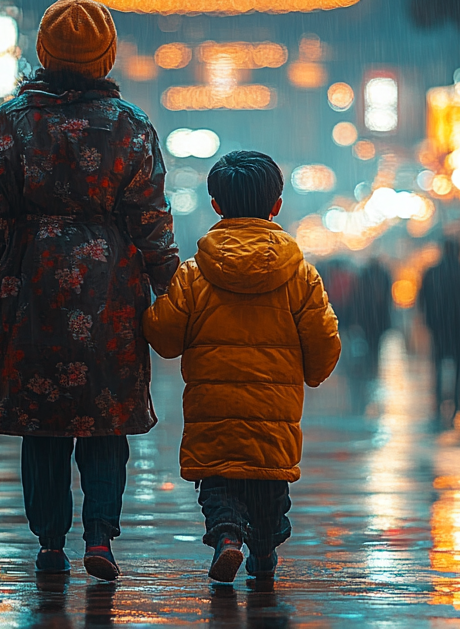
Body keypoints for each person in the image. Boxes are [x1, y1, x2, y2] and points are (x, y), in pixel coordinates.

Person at [0, 0, 179, 581]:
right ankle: (99, 537)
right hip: (110, 297)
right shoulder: (131, 127)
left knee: (43, 425)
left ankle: (51, 542)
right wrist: (174, 293)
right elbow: (152, 222)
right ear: (106, 56)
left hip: (30, 292)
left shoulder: (9, 124)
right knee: (106, 421)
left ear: (44, 51)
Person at [143, 150, 340, 583]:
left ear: (216, 205)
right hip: (274, 416)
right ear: (277, 206)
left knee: (220, 488)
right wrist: (314, 373)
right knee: (270, 491)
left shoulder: (194, 275)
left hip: (213, 414)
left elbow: (165, 339)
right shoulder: (300, 276)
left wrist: (148, 309)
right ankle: (265, 552)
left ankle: (228, 536)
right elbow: (324, 346)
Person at [417, 238, 460, 424]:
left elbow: (423, 300)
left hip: (439, 328)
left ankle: (439, 402)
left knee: (438, 365)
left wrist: (430, 321)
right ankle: (455, 400)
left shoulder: (432, 273)